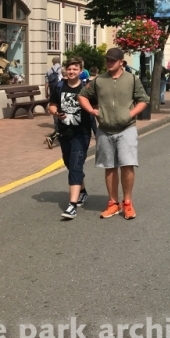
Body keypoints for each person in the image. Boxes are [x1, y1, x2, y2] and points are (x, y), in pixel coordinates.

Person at [78, 47, 149, 220]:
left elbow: (143, 100)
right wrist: (92, 111)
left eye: (113, 60)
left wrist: (130, 114)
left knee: (127, 165)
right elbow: (82, 95)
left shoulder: (132, 79)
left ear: (121, 62)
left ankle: (127, 202)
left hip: (127, 128)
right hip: (105, 129)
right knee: (109, 167)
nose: (109, 63)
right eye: (107, 60)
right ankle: (113, 203)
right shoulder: (99, 80)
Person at [49, 59, 92, 219]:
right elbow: (52, 105)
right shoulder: (59, 86)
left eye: (75, 69)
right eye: (69, 69)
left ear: (81, 71)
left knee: (75, 165)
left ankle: (72, 206)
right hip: (64, 132)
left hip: (82, 133)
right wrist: (56, 113)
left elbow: (95, 107)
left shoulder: (86, 89)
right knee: (70, 164)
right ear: (65, 70)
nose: (72, 71)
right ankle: (82, 191)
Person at [45, 57, 63, 148]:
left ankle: (56, 132)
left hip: (53, 94)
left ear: (53, 62)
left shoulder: (49, 71)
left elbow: (46, 83)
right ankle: (55, 136)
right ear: (59, 62)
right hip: (61, 95)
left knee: (56, 115)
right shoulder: (62, 70)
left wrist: (46, 93)